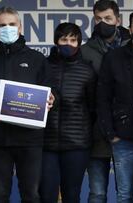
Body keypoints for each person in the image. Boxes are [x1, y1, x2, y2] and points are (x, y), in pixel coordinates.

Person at [0, 6, 54, 203]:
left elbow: (50, 90)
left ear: (20, 27)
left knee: (31, 196)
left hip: (30, 139)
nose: (7, 28)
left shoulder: (37, 59)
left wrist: (51, 99)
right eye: (2, 25)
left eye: (12, 24)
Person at [97, 8, 133, 203]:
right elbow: (102, 98)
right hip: (123, 140)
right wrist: (110, 134)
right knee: (124, 196)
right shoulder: (113, 58)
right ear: (128, 29)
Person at [39, 22, 96, 203]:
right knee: (46, 195)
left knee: (72, 196)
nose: (68, 44)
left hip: (77, 145)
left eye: (73, 40)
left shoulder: (87, 70)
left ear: (79, 43)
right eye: (64, 39)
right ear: (56, 41)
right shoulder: (43, 66)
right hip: (45, 144)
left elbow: (93, 108)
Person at [80, 1, 130, 202]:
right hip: (95, 131)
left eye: (108, 18)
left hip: (128, 132)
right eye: (98, 19)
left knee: (125, 193)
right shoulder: (84, 51)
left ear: (118, 20)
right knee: (97, 193)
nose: (103, 23)